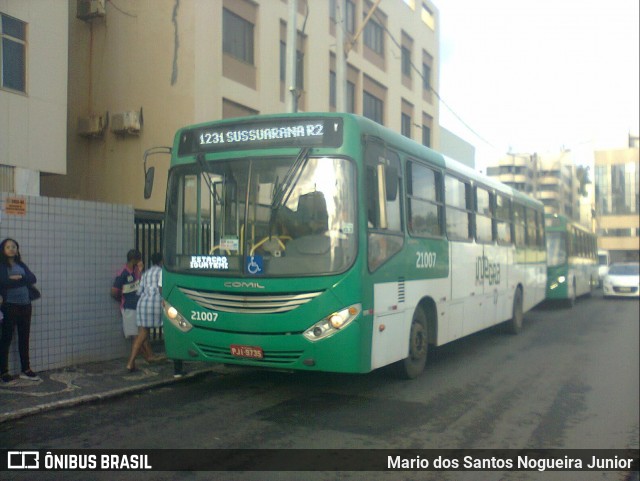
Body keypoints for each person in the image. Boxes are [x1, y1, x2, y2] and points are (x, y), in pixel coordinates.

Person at [0, 238, 40, 383]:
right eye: (8, 247)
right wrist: (18, 279)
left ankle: (26, 369)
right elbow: (3, 281)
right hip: (10, 305)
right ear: (3, 250)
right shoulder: (1, 265)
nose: (11, 249)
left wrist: (19, 277)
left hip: (26, 304)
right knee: (6, 338)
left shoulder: (21, 264)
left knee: (24, 337)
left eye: (14, 246)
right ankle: (4, 371)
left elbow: (32, 278)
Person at [111, 249, 155, 364]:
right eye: (139, 259)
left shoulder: (136, 272)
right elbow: (114, 291)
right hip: (129, 308)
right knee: (135, 336)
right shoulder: (123, 273)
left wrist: (140, 271)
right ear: (134, 260)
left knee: (141, 333)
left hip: (138, 307)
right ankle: (136, 361)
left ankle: (148, 357)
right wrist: (122, 299)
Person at [126, 252, 165, 371]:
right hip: (155, 304)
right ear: (162, 261)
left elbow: (139, 291)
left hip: (142, 304)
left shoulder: (146, 273)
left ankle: (133, 361)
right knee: (168, 328)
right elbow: (161, 288)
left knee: (142, 334)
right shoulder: (162, 272)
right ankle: (174, 355)